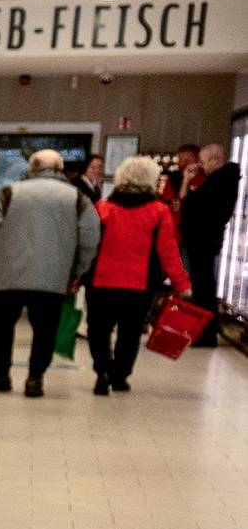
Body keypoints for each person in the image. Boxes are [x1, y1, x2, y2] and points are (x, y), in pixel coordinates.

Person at [0, 148, 102, 397]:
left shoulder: (8, 193)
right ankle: (35, 378)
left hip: (8, 275)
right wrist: (77, 269)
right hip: (53, 277)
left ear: (32, 167)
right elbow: (90, 237)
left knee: (3, 327)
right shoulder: (77, 198)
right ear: (60, 168)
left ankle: (1, 376)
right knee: (45, 330)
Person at [86, 156, 188, 395]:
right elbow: (168, 252)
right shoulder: (159, 212)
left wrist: (76, 277)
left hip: (102, 282)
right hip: (139, 285)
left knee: (98, 329)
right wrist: (181, 284)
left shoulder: (102, 208)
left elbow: (88, 247)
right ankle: (119, 377)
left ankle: (102, 370)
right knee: (129, 333)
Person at [180, 142, 236, 338]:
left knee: (203, 287)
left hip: (202, 241)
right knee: (202, 285)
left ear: (215, 160)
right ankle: (203, 330)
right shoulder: (221, 181)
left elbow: (187, 205)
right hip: (203, 240)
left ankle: (205, 332)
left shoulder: (221, 182)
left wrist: (187, 183)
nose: (201, 166)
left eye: (203, 161)